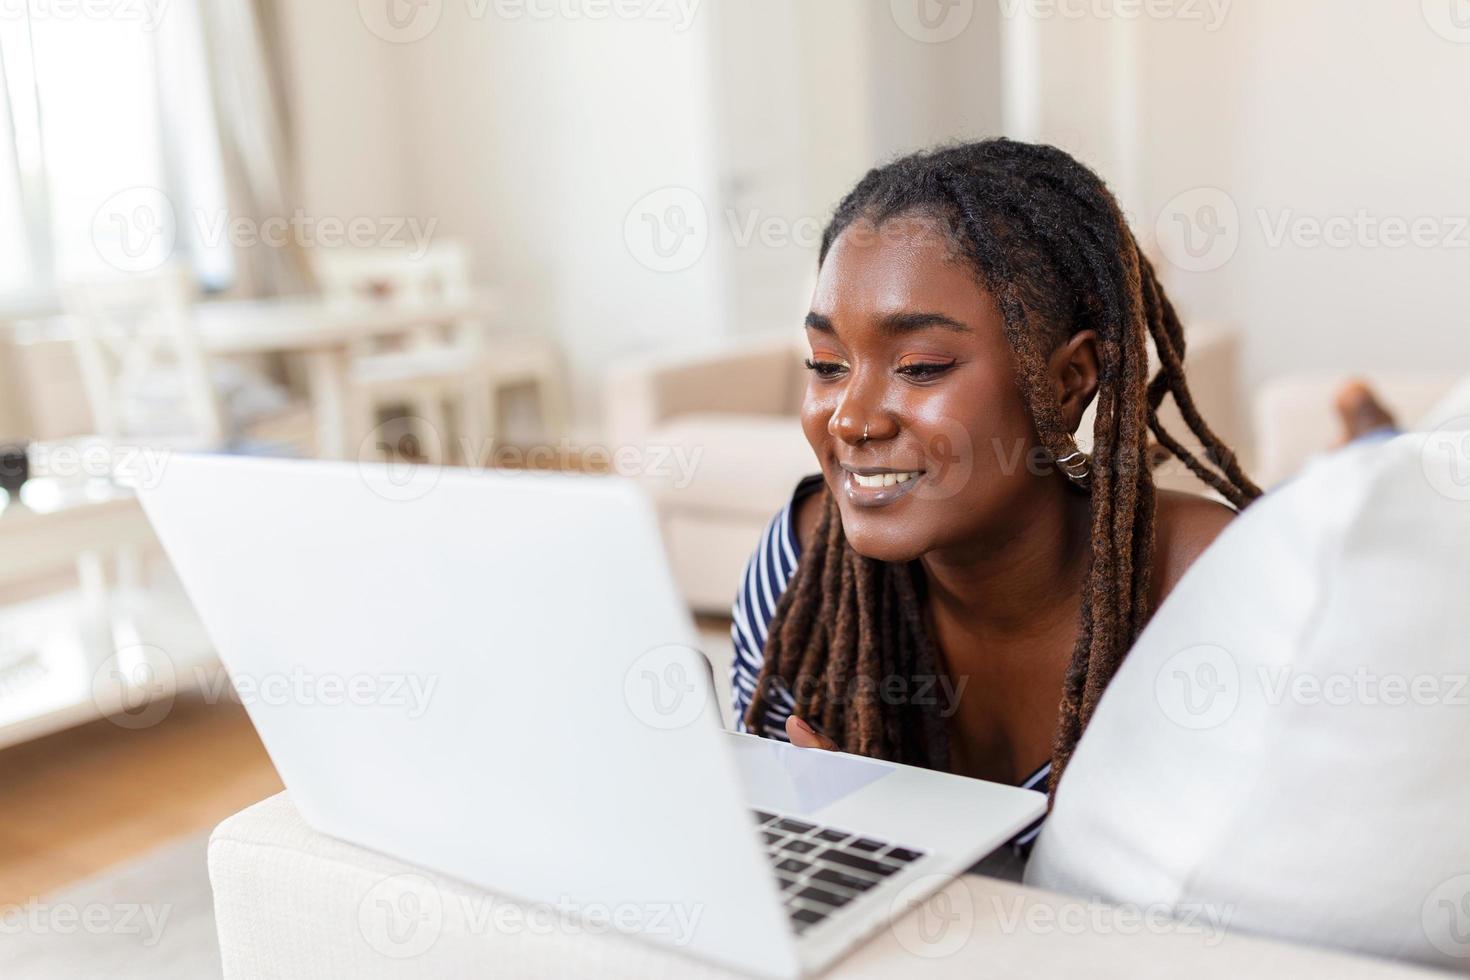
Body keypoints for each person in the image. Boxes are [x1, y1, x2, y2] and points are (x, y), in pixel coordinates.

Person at [728, 139, 1261, 851]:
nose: (850, 419)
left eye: (919, 367)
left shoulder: (1206, 592)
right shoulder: (801, 572)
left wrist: (909, 857)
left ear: (1070, 380)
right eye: (827, 364)